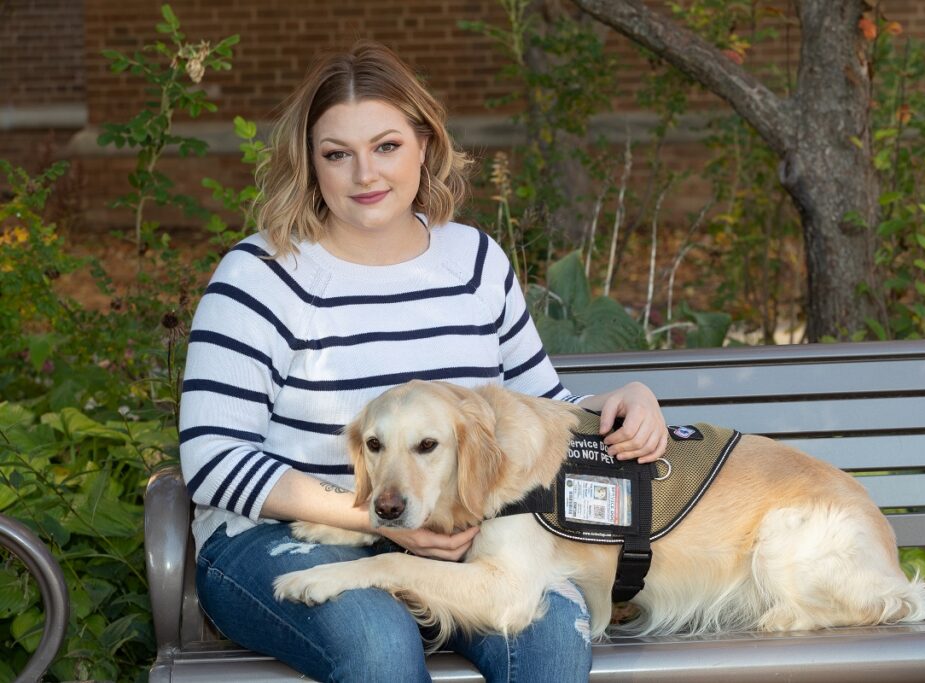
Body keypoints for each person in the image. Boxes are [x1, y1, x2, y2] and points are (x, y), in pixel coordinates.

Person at [179, 41, 667, 683]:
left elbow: (539, 404)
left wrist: (622, 400)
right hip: (274, 538)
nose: (364, 175)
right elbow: (213, 461)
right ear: (309, 163)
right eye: (337, 154)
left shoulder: (472, 262)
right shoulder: (261, 277)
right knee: (377, 641)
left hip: (458, 534)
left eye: (386, 146)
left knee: (549, 636)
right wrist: (380, 517)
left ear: (425, 146)